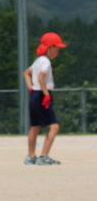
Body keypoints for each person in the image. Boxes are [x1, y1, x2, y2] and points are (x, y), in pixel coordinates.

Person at [23, 32, 66, 165]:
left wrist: (30, 87)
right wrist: (46, 94)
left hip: (34, 95)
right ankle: (44, 156)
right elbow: (41, 77)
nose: (58, 52)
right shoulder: (46, 62)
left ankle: (30, 156)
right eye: (57, 49)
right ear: (50, 48)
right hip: (42, 95)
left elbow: (26, 73)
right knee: (54, 126)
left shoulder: (37, 61)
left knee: (35, 126)